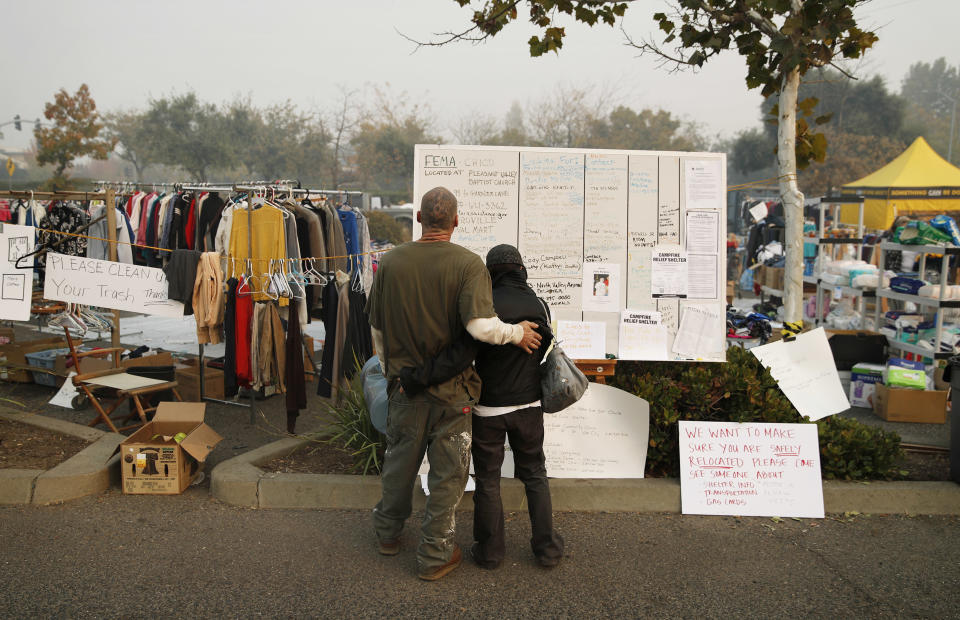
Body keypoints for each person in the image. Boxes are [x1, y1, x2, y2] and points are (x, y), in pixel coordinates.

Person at [366, 187, 542, 581]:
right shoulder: (468, 264)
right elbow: (479, 327)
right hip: (453, 394)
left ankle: (387, 534)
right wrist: (516, 334)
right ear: (456, 221)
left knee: (399, 465)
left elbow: (377, 328)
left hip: (405, 391)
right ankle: (434, 555)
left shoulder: (391, 262)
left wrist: (390, 370)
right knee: (447, 477)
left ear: (419, 219)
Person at [470, 244, 564, 570]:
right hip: (529, 406)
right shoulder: (538, 304)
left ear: (490, 272)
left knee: (488, 479)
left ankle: (491, 553)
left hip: (488, 409)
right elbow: (547, 348)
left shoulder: (484, 305)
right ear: (521, 269)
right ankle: (547, 550)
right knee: (535, 475)